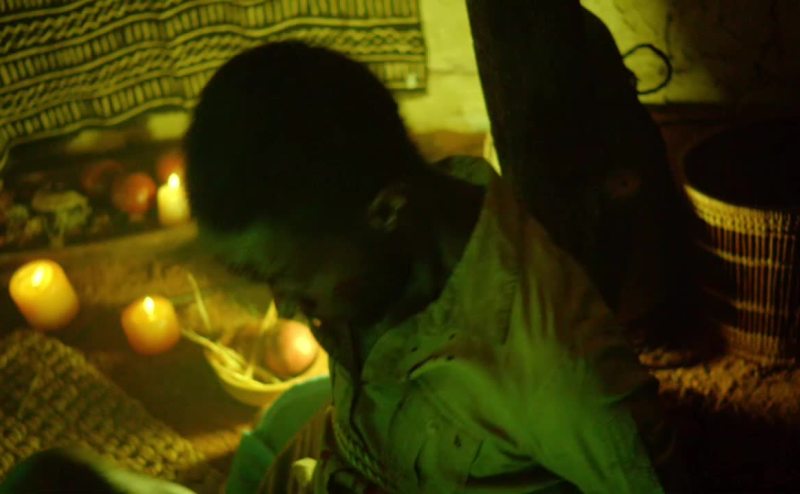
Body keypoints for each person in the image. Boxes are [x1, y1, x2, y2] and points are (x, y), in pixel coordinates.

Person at [185, 35, 689, 494]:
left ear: (388, 211)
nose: (285, 308)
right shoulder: (379, 237)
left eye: (292, 279)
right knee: (275, 429)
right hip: (351, 450)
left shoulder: (558, 372)